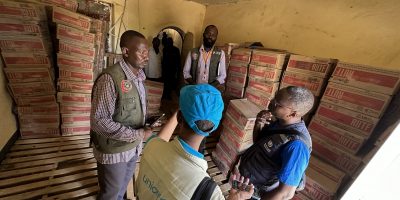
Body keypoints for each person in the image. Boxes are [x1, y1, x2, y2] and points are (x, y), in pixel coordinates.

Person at [135, 84, 254, 200]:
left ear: (179, 118)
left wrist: (180, 112)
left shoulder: (152, 145)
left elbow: (161, 139)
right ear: (214, 128)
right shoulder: (209, 192)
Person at [90, 30, 153, 200]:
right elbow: (99, 121)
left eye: (147, 51)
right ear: (126, 52)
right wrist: (138, 134)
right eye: (142, 52)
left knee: (122, 189)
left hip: (133, 147)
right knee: (110, 193)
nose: (146, 56)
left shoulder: (138, 77)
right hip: (114, 151)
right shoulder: (110, 79)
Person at [236, 86, 314, 200]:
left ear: (293, 113)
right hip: (245, 180)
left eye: (278, 103)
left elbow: (285, 194)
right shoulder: (279, 122)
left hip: (256, 193)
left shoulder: (298, 146)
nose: (271, 103)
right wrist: (259, 123)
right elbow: (259, 144)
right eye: (274, 98)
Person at [183, 25, 227, 92]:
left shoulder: (221, 54)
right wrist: (194, 85)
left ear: (216, 38)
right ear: (203, 34)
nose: (210, 37)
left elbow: (222, 75)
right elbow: (186, 72)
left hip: (211, 91)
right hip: (195, 89)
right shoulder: (193, 52)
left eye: (213, 35)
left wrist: (210, 87)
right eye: (208, 34)